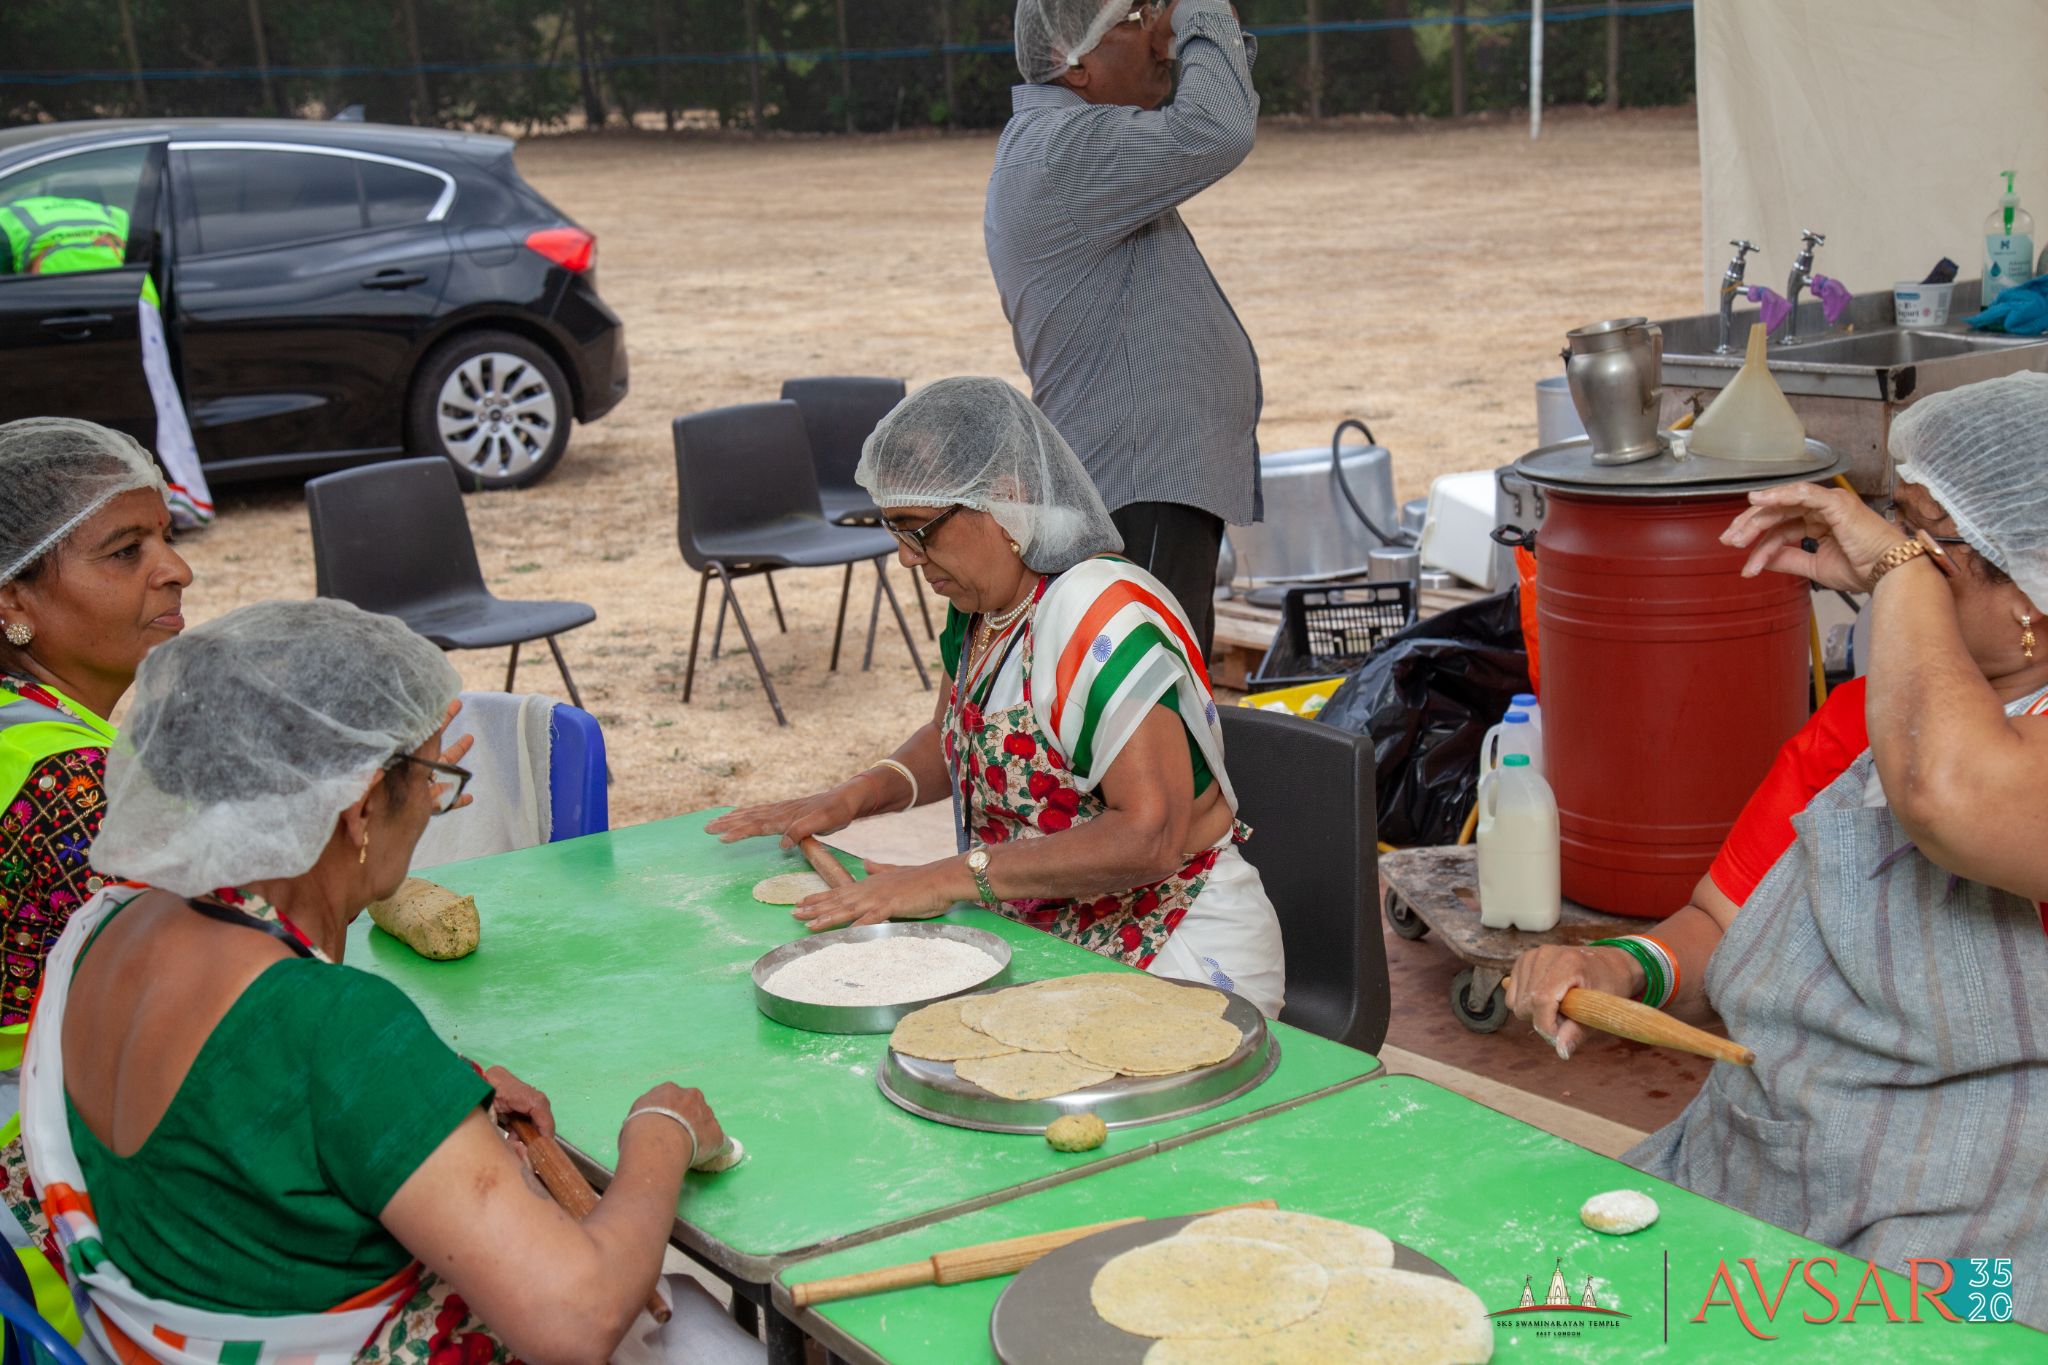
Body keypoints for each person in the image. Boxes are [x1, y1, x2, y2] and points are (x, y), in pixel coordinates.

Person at [17, 600, 758, 1364]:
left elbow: (255, 1117)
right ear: (362, 805)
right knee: (703, 1330)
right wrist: (658, 1134)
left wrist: (425, 1092)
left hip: (173, 1323)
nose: (436, 802)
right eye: (433, 774)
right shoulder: (330, 1023)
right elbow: (576, 1315)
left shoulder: (107, 924)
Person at [1506, 372, 2048, 1329]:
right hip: (1774, 1165)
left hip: (1975, 1247)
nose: (1899, 555)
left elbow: (1948, 795)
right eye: (1898, 525)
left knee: (1899, 1337)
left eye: (1932, 541)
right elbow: (1723, 918)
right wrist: (1620, 965)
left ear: (2032, 596)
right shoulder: (1860, 725)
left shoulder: (1981, 764)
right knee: (1575, 1310)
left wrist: (1892, 573)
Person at [709, 378, 1285, 1017]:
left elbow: (1148, 837)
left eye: (918, 528)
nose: (904, 557)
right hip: (1048, 933)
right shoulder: (982, 609)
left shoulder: (1101, 613)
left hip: (1175, 941)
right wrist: (852, 797)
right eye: (893, 529)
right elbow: (958, 732)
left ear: (1003, 498)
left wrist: (943, 878)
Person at [987, 0, 1263, 655]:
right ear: (1072, 61)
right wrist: (1200, 10)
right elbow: (1218, 129)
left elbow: (1220, 98)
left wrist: (1185, 34)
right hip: (1139, 490)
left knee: (1157, 696)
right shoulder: (1067, 152)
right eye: (1134, 20)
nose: (1158, 41)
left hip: (1141, 485)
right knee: (1153, 706)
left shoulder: (1064, 143)